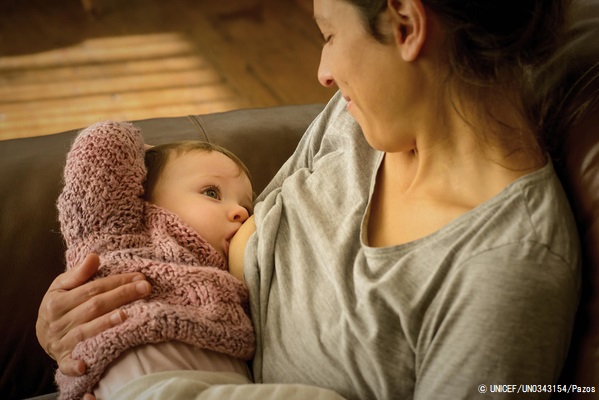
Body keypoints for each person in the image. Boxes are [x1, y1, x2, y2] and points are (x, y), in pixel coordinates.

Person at [37, 0, 583, 399]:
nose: (323, 73)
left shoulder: (505, 270)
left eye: (327, 34)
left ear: (407, 24)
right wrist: (83, 321)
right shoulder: (359, 124)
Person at [53, 120, 255, 399]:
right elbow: (104, 141)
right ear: (141, 197)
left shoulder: (234, 269)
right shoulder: (118, 234)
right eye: (211, 192)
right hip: (146, 384)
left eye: (246, 205)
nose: (240, 213)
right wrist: (152, 157)